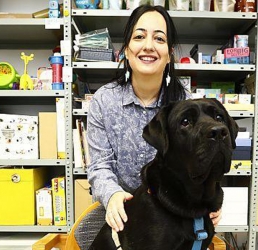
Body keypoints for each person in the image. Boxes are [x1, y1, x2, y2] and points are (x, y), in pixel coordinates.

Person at [87, 4, 221, 233]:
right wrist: (112, 195)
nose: (148, 46)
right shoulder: (104, 101)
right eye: (139, 36)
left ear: (169, 54)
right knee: (83, 239)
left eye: (159, 39)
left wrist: (212, 195)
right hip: (121, 209)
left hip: (176, 210)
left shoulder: (187, 107)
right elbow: (100, 166)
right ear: (127, 50)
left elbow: (205, 159)